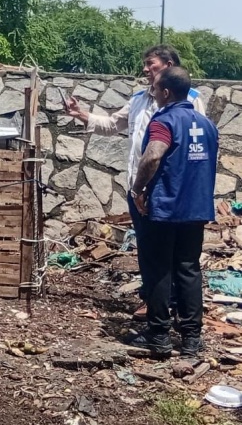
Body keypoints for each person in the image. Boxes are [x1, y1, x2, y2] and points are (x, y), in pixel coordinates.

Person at [64, 45, 206, 320]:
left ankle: (172, 313)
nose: (145, 69)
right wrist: (80, 114)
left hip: (169, 191)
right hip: (138, 189)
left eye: (151, 63)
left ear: (168, 65)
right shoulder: (139, 99)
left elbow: (194, 144)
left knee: (178, 256)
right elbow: (111, 125)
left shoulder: (192, 100)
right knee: (150, 251)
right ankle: (156, 305)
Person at [128, 66, 217, 357]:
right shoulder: (207, 125)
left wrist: (137, 189)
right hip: (196, 208)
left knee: (159, 269)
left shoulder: (163, 121)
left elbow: (153, 155)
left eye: (155, 89)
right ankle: (191, 339)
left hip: (165, 208)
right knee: (189, 269)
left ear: (166, 92)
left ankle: (159, 335)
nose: (153, 94)